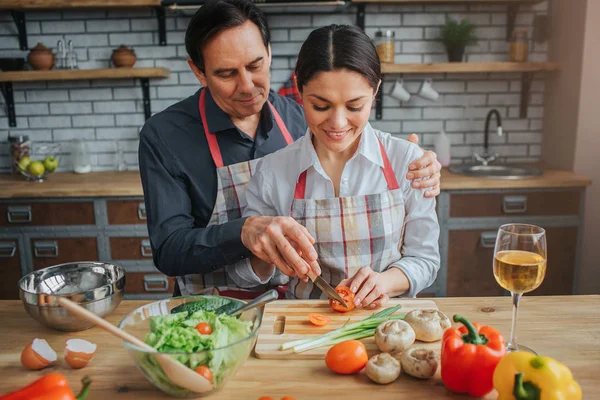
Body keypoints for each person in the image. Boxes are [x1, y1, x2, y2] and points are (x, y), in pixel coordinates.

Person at [138, 0, 442, 299]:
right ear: (199, 71)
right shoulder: (166, 136)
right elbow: (169, 252)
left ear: (269, 54)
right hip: (206, 310)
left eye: (255, 65)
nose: (246, 86)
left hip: (281, 309)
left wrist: (419, 165)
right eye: (226, 73)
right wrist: (245, 234)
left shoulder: (301, 119)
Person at [229, 24, 440, 307]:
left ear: (375, 90)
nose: (338, 123)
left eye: (354, 107)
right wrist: (266, 252)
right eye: (321, 106)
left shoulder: (407, 161)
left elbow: (425, 260)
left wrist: (385, 281)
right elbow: (244, 278)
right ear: (300, 90)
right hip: (303, 324)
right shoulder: (273, 172)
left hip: (383, 322)